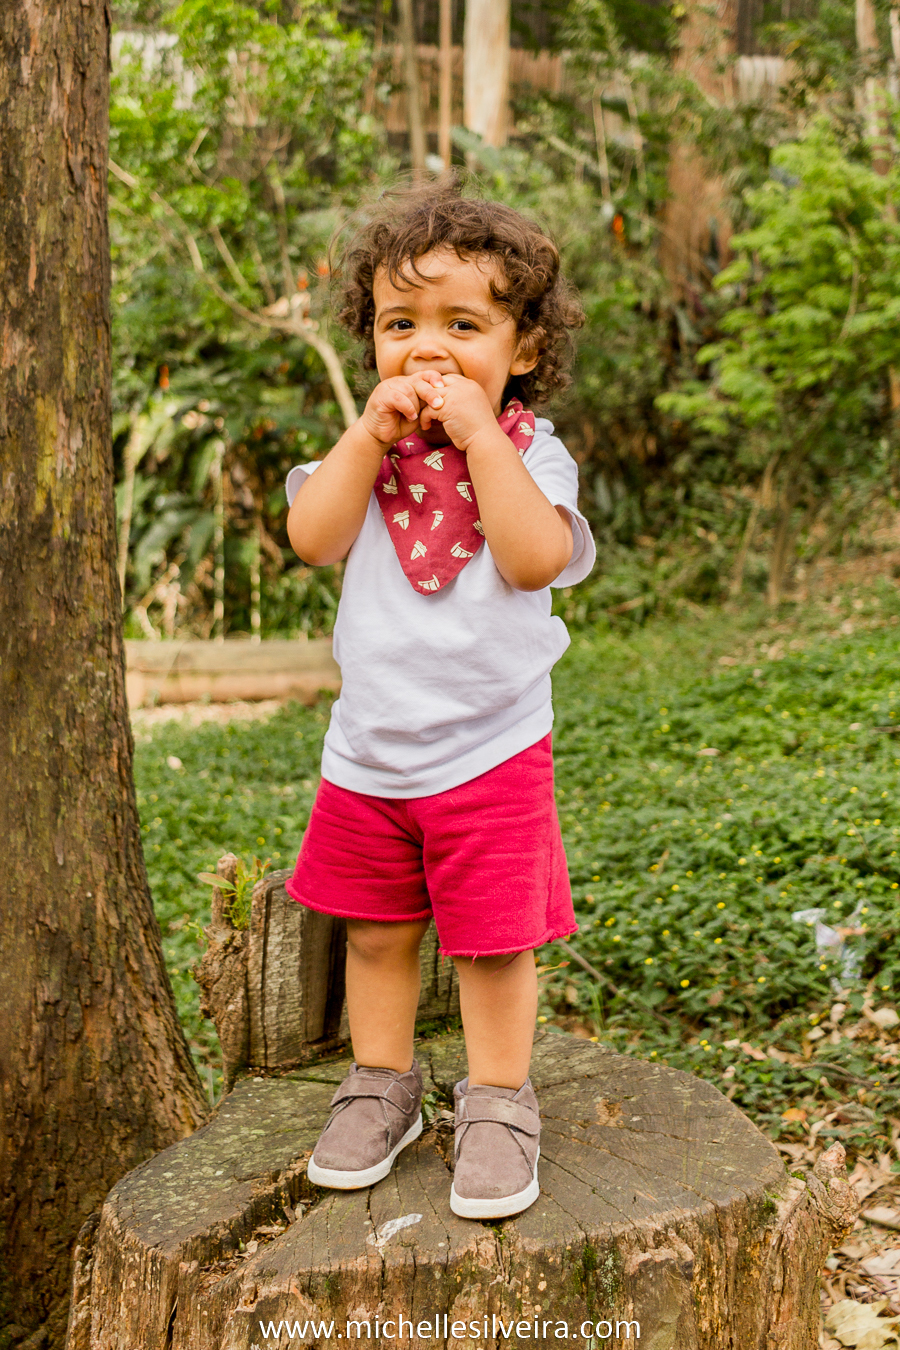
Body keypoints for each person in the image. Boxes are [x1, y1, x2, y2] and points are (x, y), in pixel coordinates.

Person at [284, 182, 595, 1220]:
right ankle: (383, 1084)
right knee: (375, 933)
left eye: (464, 326)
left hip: (492, 749)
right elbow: (312, 539)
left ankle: (499, 1101)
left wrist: (481, 441)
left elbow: (535, 556)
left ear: (524, 348)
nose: (428, 348)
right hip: (369, 753)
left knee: (492, 943)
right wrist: (368, 439)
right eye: (399, 324)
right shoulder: (364, 455)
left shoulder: (532, 453)